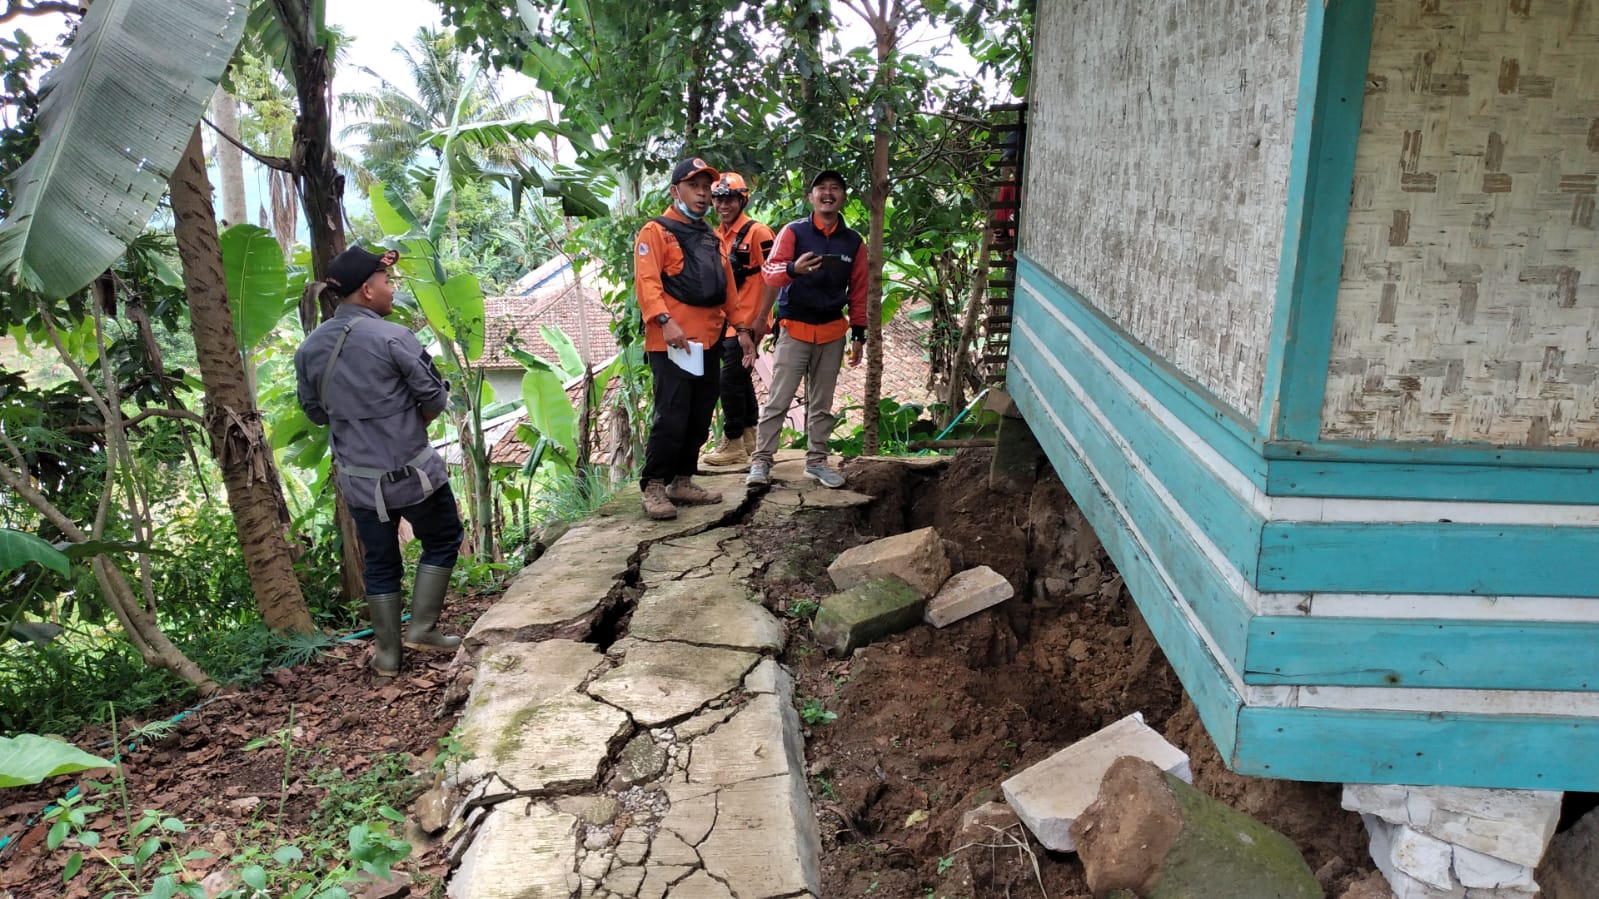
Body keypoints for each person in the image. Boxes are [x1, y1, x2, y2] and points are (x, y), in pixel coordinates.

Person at [293, 246, 463, 678]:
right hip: (414, 473)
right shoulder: (393, 337)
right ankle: (422, 628)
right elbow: (434, 397)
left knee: (381, 561)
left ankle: (387, 655)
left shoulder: (310, 348)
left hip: (359, 482)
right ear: (367, 290)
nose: (392, 290)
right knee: (443, 537)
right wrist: (407, 424)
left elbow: (315, 412)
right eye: (387, 283)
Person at [634, 158, 756, 520]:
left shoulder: (709, 235)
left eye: (707, 187)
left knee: (700, 414)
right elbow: (648, 282)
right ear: (676, 191)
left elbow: (727, 288)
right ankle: (654, 485)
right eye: (695, 187)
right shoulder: (655, 232)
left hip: (709, 339)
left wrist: (743, 330)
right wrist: (665, 321)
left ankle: (682, 480)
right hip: (672, 342)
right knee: (672, 414)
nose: (703, 194)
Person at [746, 169, 867, 489]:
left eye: (836, 188)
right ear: (810, 197)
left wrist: (859, 333)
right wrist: (792, 269)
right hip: (795, 328)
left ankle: (816, 462)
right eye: (821, 188)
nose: (828, 193)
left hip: (832, 332)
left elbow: (859, 289)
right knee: (778, 399)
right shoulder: (794, 232)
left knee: (822, 403)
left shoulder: (853, 242)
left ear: (843, 197)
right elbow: (770, 272)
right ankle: (761, 461)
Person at [701, 172, 776, 469]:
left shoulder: (759, 233)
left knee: (728, 378)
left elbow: (775, 277)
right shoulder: (716, 235)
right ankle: (749, 437)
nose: (723, 205)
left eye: (729, 199)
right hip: (727, 320)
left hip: (750, 320)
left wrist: (761, 319)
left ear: (742, 200)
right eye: (718, 199)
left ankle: (731, 440)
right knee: (740, 377)